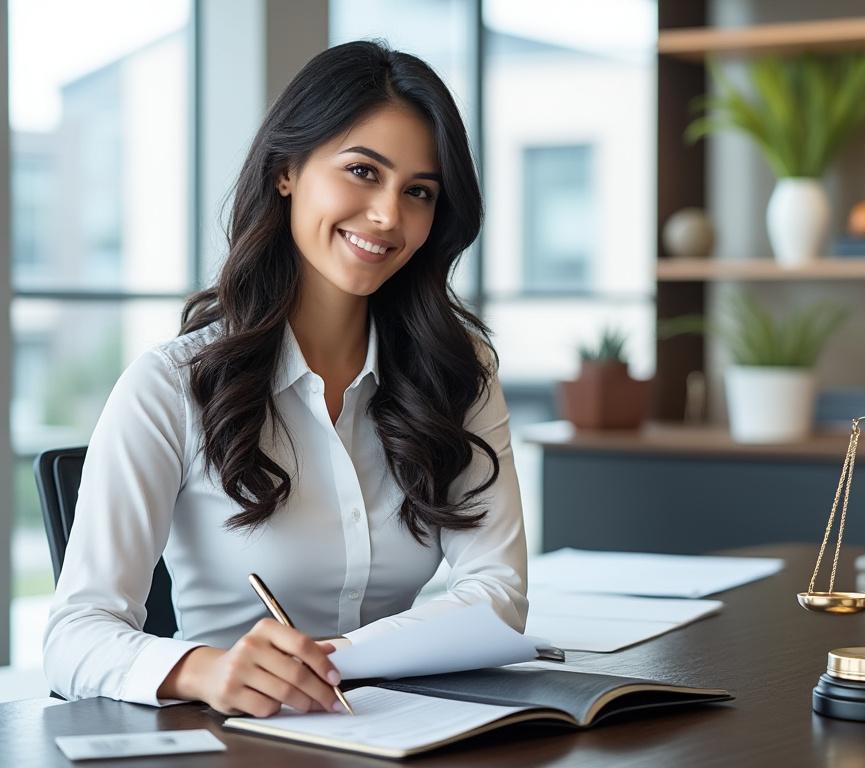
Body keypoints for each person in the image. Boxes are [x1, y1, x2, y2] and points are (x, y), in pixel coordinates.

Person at [43, 40, 527, 717]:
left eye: (418, 192)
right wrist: (205, 671)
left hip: (399, 732)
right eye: (362, 171)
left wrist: (333, 659)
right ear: (286, 172)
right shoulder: (170, 386)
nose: (389, 215)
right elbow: (73, 636)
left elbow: (498, 593)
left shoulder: (459, 372)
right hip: (234, 739)